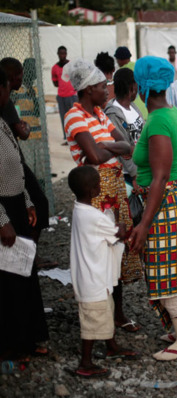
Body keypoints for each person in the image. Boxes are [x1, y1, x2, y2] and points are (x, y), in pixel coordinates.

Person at [128, 56, 177, 361]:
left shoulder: (158, 120)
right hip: (176, 199)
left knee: (168, 272)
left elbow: (159, 175)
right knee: (172, 270)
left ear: (142, 87)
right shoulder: (171, 114)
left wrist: (143, 225)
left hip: (166, 204)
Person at [62, 59, 143, 334]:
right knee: (101, 252)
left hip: (115, 186)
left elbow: (128, 147)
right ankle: (103, 314)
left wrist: (106, 146)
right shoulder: (74, 116)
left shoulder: (99, 113)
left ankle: (117, 313)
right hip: (95, 189)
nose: (106, 89)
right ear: (87, 90)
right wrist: (112, 148)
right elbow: (93, 157)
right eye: (100, 86)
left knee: (118, 248)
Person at [68, 166, 138, 377]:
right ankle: (85, 362)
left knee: (105, 312)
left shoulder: (80, 210)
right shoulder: (93, 217)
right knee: (93, 321)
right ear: (92, 191)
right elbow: (120, 233)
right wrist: (119, 220)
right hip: (93, 280)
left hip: (93, 276)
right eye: (98, 185)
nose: (100, 187)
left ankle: (112, 346)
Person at [0, 67, 49, 361]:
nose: (9, 95)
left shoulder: (3, 122)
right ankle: (10, 344)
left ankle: (26, 338)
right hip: (3, 211)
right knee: (8, 282)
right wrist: (2, 221)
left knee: (23, 273)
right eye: (7, 89)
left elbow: (16, 165)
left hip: (16, 204)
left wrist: (28, 200)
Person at [1, 58, 53, 271]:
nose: (23, 79)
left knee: (32, 205)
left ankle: (26, 257)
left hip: (13, 165)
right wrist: (27, 128)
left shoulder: (7, 99)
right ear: (11, 78)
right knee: (37, 205)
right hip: (11, 166)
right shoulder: (5, 101)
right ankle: (27, 256)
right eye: (20, 75)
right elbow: (22, 132)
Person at [104, 68, 144, 189]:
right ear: (131, 87)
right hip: (129, 174)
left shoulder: (133, 107)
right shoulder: (114, 114)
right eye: (136, 84)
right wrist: (134, 176)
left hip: (142, 168)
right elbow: (122, 148)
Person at [51, 46, 77, 142]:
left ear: (66, 54)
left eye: (64, 53)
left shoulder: (71, 65)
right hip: (61, 96)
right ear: (58, 54)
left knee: (74, 117)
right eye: (60, 53)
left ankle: (76, 136)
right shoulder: (54, 68)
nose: (62, 55)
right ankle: (67, 138)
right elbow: (55, 82)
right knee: (64, 118)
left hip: (72, 95)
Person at [115, 46, 147, 118]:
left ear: (119, 59)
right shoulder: (139, 66)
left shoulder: (121, 73)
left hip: (133, 111)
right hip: (146, 109)